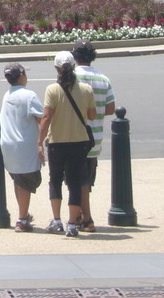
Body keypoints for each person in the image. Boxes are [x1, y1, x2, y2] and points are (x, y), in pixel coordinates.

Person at [38, 50, 96, 237]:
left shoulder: (52, 90)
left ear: (56, 68)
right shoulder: (86, 89)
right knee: (75, 182)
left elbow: (46, 117)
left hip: (57, 142)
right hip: (79, 141)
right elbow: (91, 115)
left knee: (55, 181)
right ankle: (72, 223)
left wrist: (40, 142)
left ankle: (57, 221)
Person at [71, 40, 117, 233]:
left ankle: (84, 218)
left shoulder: (71, 77)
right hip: (94, 135)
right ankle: (81, 214)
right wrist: (94, 111)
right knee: (86, 179)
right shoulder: (103, 79)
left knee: (77, 179)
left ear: (75, 57)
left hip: (73, 135)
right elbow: (110, 109)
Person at [0, 63, 45, 232]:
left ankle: (22, 215)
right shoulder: (29, 95)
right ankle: (22, 220)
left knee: (18, 180)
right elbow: (42, 118)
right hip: (24, 145)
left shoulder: (7, 95)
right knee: (26, 181)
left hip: (8, 144)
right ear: (21, 76)